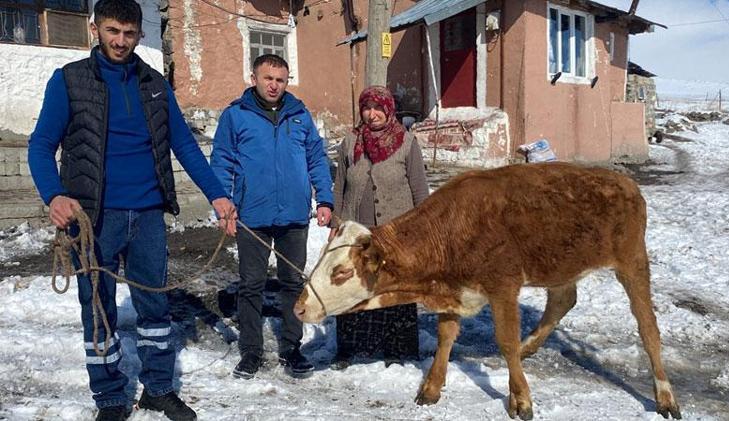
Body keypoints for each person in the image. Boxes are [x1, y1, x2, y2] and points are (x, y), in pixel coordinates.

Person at [27, 1, 235, 420]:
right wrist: (55, 195)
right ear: (95, 29)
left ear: (139, 34)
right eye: (112, 31)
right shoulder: (69, 80)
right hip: (94, 219)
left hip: (148, 215)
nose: (120, 41)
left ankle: (158, 388)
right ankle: (108, 397)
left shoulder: (154, 84)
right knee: (97, 308)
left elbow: (185, 145)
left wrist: (217, 195)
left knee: (155, 307)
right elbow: (41, 145)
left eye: (128, 33)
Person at [210, 54, 333, 380]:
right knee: (251, 285)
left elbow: (316, 158)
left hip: (294, 214)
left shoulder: (299, 114)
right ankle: (251, 352)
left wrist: (324, 199)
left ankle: (292, 348)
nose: (274, 85)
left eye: (280, 79)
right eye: (268, 78)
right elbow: (222, 161)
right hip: (252, 214)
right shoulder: (236, 115)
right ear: (254, 79)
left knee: (293, 283)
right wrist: (223, 206)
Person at [328, 86, 429, 368]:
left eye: (378, 109)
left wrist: (424, 229)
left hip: (396, 232)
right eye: (366, 108)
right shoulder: (350, 142)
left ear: (388, 110)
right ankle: (350, 348)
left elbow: (420, 189)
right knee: (352, 286)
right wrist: (336, 223)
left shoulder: (407, 142)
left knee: (395, 288)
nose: (372, 115)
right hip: (356, 230)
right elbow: (340, 187)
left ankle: (397, 349)